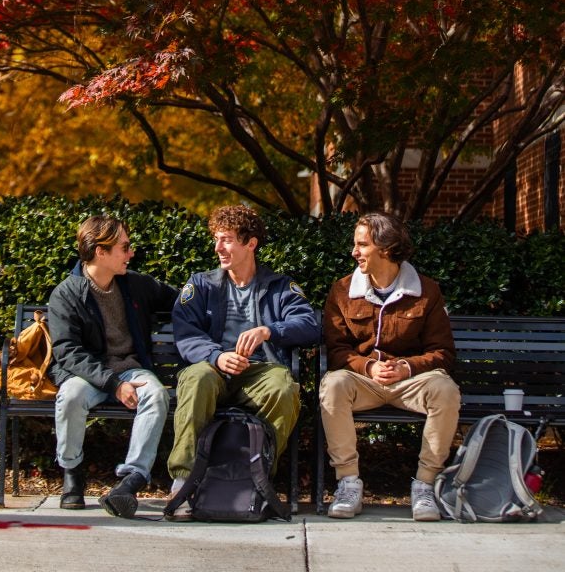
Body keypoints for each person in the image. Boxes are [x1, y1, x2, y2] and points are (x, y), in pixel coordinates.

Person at [167, 204, 320, 511]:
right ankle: (183, 482)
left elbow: (309, 324)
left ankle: (259, 478)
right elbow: (186, 332)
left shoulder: (278, 287)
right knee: (196, 379)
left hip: (259, 372)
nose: (217, 247)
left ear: (251, 243)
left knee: (284, 387)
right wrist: (216, 356)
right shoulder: (201, 284)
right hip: (213, 369)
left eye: (226, 240)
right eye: (216, 239)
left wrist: (269, 331)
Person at [319, 212, 461, 522]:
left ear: (386, 248)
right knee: (332, 384)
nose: (354, 252)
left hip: (410, 383)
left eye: (362, 245)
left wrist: (407, 367)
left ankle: (425, 486)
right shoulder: (342, 290)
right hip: (363, 380)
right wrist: (368, 367)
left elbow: (442, 352)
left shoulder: (427, 290)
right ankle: (347, 483)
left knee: (446, 390)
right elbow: (337, 350)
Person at [48, 214, 177, 517]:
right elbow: (67, 352)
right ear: (101, 251)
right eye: (125, 247)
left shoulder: (136, 285)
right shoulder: (66, 294)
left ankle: (130, 480)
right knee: (71, 397)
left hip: (132, 369)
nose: (131, 253)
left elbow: (183, 300)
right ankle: (72, 471)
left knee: (156, 395)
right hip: (88, 373)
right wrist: (113, 384)